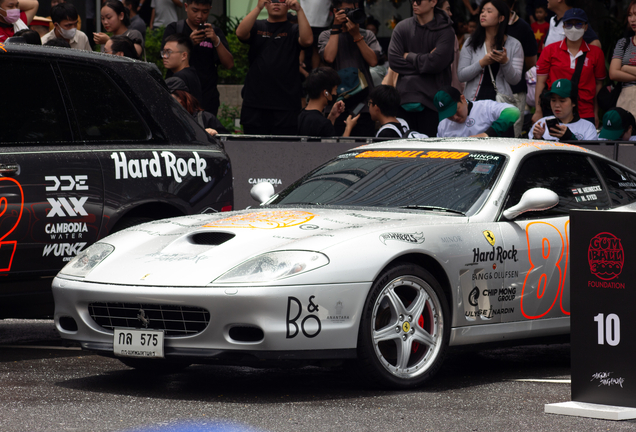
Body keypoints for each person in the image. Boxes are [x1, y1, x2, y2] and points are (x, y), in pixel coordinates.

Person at [236, 0, 312, 135]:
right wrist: (258, 7)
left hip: (286, 104)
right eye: (272, 1)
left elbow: (307, 40)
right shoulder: (257, 25)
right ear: (266, 3)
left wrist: (299, 10)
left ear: (288, 4)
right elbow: (241, 33)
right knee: (253, 148)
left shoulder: (294, 29)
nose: (276, 4)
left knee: (284, 149)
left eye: (281, 1)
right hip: (255, 103)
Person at [387, 0, 455, 138]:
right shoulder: (402, 27)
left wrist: (409, 56)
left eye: (419, 0)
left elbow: (437, 63)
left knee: (432, 153)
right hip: (404, 99)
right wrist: (427, 60)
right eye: (412, 0)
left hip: (434, 103)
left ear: (433, 2)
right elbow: (394, 60)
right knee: (405, 153)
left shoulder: (446, 30)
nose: (414, 3)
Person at [319, 0, 382, 136]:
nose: (350, 15)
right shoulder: (326, 35)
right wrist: (336, 27)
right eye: (346, 11)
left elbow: (373, 61)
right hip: (336, 105)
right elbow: (329, 58)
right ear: (336, 12)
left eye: (354, 11)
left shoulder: (367, 35)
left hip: (364, 105)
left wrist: (356, 36)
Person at [533, 8, 606, 126]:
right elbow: (540, 82)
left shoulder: (596, 53)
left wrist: (595, 113)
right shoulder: (549, 50)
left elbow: (598, 84)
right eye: (568, 24)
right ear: (563, 26)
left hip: (585, 113)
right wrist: (538, 110)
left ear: (586, 27)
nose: (573, 28)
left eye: (578, 24)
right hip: (555, 111)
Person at [162, 0, 234, 116]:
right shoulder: (175, 29)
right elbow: (166, 57)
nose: (200, 16)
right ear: (186, 7)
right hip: (178, 95)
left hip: (207, 97)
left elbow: (229, 64)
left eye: (205, 11)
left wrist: (216, 40)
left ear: (210, 9)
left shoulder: (215, 33)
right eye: (195, 10)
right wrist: (189, 43)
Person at [458, 1, 524, 106]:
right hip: (474, 103)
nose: (483, 14)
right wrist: (481, 63)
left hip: (500, 104)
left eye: (489, 11)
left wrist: (505, 62)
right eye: (482, 11)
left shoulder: (515, 45)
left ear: (501, 18)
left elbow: (515, 80)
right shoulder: (471, 42)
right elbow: (461, 76)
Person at [503, 0, 536, 137]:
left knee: (512, 135)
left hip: (515, 91)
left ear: (511, 5)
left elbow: (530, 62)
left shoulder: (523, 28)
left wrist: (510, 68)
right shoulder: (487, 26)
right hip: (490, 90)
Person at [435, 85, 520, 137]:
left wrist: (487, 134)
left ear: (463, 99)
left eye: (456, 110)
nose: (455, 117)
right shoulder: (443, 125)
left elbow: (513, 111)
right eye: (449, 115)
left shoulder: (485, 108)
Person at [298, 67, 360, 137]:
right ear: (326, 93)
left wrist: (332, 117)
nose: (336, 94)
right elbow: (334, 147)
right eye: (335, 90)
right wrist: (348, 127)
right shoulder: (323, 123)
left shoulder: (300, 116)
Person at [529, 78, 597, 141]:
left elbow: (590, 152)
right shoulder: (541, 124)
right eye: (553, 100)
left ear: (573, 102)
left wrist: (570, 138)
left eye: (562, 101)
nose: (557, 105)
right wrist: (537, 139)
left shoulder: (588, 127)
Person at [608, 0, 636, 120]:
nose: (633, 19)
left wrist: (625, 68)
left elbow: (619, 70)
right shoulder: (623, 43)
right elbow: (613, 73)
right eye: (630, 15)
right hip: (626, 99)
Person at [162, 34, 203, 105]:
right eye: (164, 52)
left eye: (169, 52)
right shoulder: (191, 73)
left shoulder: (180, 77)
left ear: (184, 55)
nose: (164, 56)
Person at [437, 0, 464, 93]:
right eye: (447, 9)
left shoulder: (451, 34)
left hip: (451, 93)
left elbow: (456, 68)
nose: (451, 14)